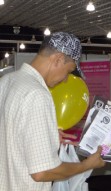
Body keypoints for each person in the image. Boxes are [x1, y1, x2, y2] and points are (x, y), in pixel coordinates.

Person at [0, 32, 105, 191]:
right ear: (58, 59)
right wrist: (86, 165)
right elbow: (42, 172)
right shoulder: (37, 94)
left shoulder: (6, 81)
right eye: (68, 72)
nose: (64, 80)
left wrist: (46, 136)